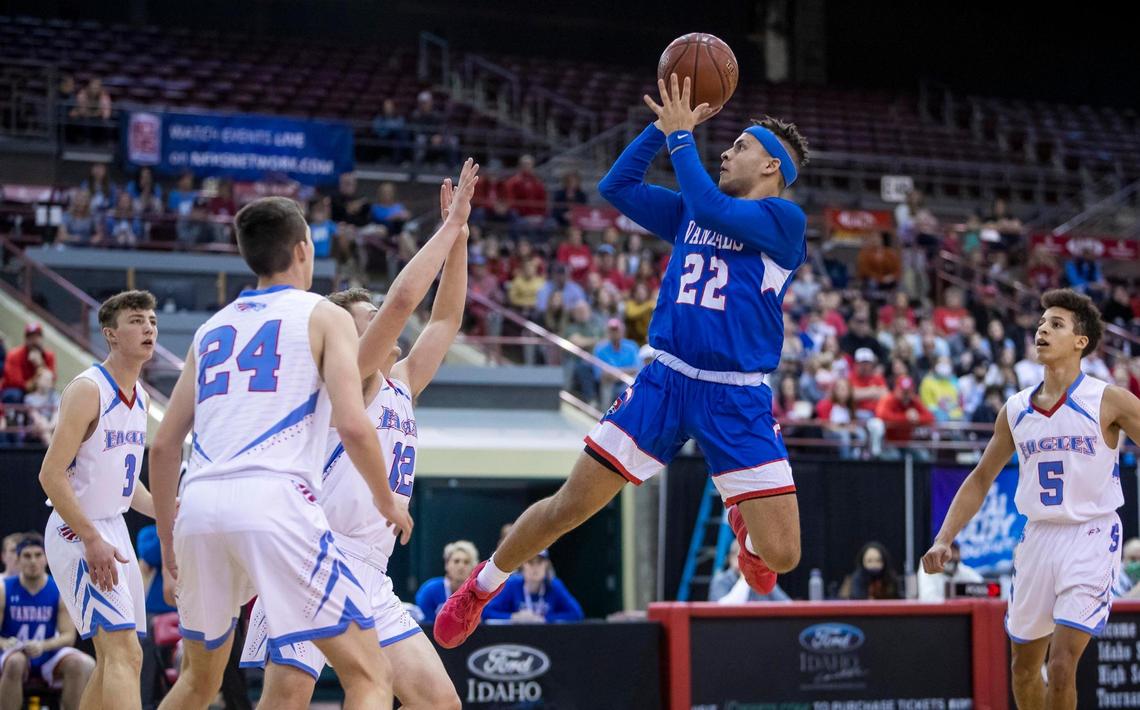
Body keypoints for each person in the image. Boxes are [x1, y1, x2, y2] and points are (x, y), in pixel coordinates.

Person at [433, 75, 809, 648]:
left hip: (736, 394)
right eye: (728, 143)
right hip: (665, 381)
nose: (727, 150)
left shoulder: (785, 223)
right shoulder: (694, 212)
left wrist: (684, 138)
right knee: (569, 506)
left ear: (772, 168)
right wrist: (661, 129)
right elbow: (617, 183)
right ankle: (480, 588)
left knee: (780, 557)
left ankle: (748, 538)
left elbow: (708, 201)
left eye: (741, 146)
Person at [148, 192, 426, 710]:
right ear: (303, 250)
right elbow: (352, 424)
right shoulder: (324, 315)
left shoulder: (210, 330)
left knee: (197, 683)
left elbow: (163, 446)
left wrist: (168, 548)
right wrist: (387, 499)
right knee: (368, 675)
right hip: (275, 500)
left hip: (199, 507)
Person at [238, 165, 476, 710]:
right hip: (315, 553)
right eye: (363, 324)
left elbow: (445, 320)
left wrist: (458, 237)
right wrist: (446, 230)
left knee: (439, 702)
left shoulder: (402, 382)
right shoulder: (352, 376)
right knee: (289, 700)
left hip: (371, 570)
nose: (378, 329)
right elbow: (401, 305)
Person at [923, 288, 1140, 709]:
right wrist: (944, 537)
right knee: (1023, 669)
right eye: (1041, 323)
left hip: (1091, 534)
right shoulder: (1016, 408)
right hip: (1038, 537)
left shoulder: (1108, 398)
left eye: (1055, 324)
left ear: (1081, 341)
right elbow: (981, 477)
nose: (1042, 329)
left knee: (1061, 666)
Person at [37, 291, 159, 710]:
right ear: (110, 334)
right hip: (78, 528)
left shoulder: (141, 397)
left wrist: (171, 508)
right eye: (137, 320)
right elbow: (49, 475)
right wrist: (90, 538)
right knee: (124, 653)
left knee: (118, 660)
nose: (149, 328)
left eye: (152, 321)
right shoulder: (88, 389)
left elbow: (129, 489)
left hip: (112, 528)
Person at [0, 537, 95, 710]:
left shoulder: (59, 589)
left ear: (46, 558)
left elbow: (69, 636)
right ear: (18, 560)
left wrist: (43, 645)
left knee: (77, 663)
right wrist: (5, 643)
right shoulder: (3, 589)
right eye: (27, 556)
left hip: (47, 653)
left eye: (38, 555)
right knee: (16, 662)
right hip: (14, 653)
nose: (33, 561)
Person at [483, 551, 584, 623]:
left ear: (546, 565)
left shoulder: (554, 585)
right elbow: (486, 612)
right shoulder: (512, 584)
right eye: (530, 562)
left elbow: (577, 614)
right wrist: (514, 617)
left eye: (539, 563)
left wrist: (545, 619)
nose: (535, 568)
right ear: (522, 565)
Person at [416, 541, 479, 627]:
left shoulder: (478, 592)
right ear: (447, 564)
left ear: (474, 567)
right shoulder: (430, 590)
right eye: (456, 561)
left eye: (466, 562)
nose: (461, 566)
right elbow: (424, 624)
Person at [708, 541, 791, 603]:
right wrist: (744, 577)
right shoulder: (721, 581)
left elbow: (788, 605)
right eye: (744, 557)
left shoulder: (762, 579)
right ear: (732, 559)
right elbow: (724, 610)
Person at [917, 541, 983, 601]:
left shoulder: (962, 569)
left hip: (961, 611)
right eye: (947, 550)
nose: (951, 555)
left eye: (954, 550)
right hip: (937, 612)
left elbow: (983, 587)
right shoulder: (929, 568)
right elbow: (928, 599)